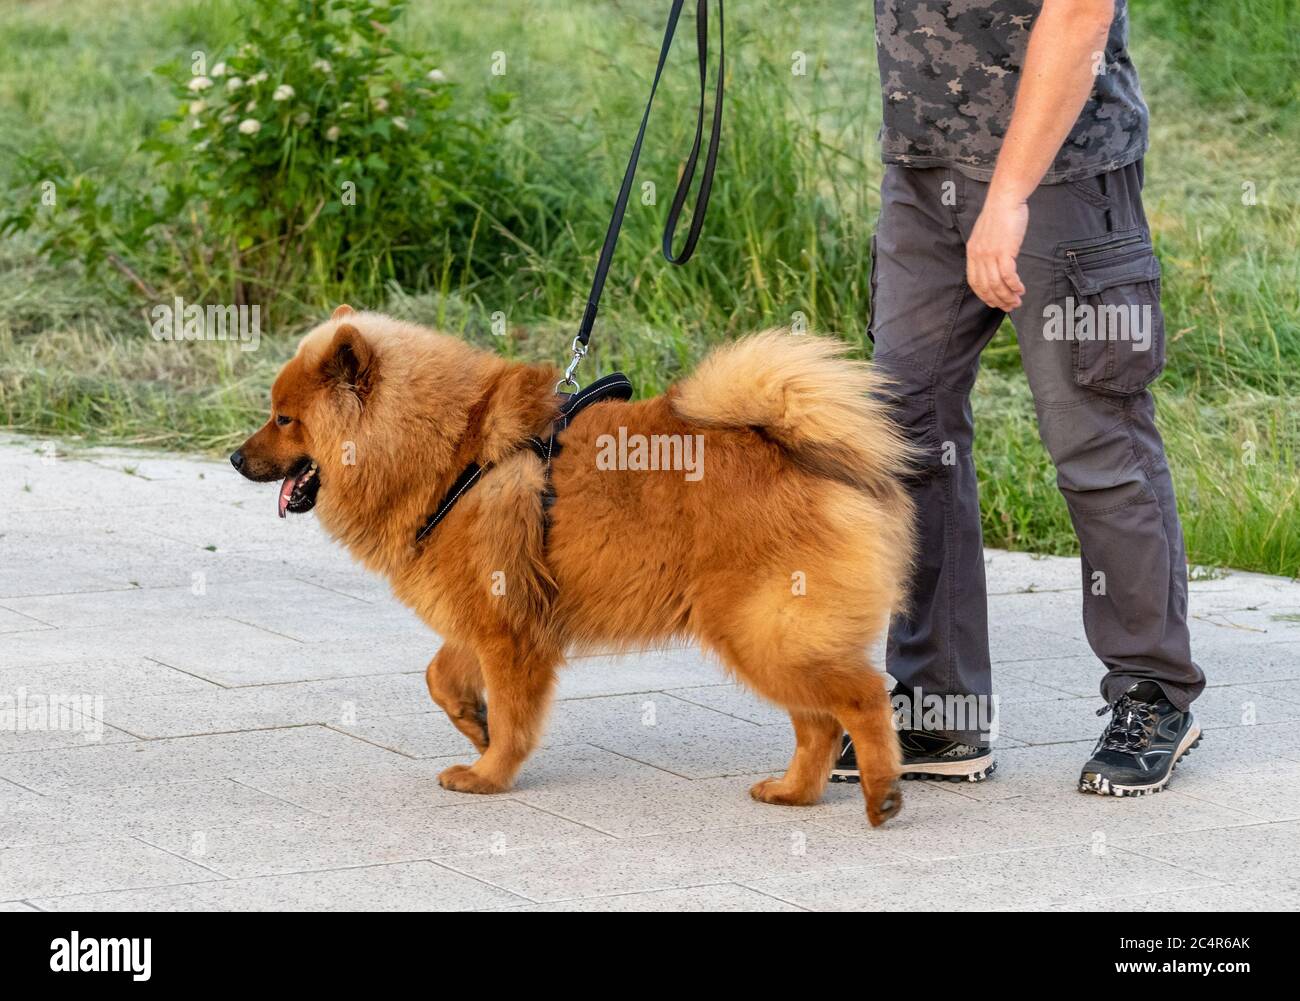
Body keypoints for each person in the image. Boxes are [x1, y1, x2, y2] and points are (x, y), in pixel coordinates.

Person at [832, 0, 1204, 795]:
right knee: (904, 431)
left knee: (1094, 436)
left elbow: (1079, 13)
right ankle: (937, 706)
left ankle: (1153, 691)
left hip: (1059, 172)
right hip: (924, 161)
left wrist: (1008, 197)